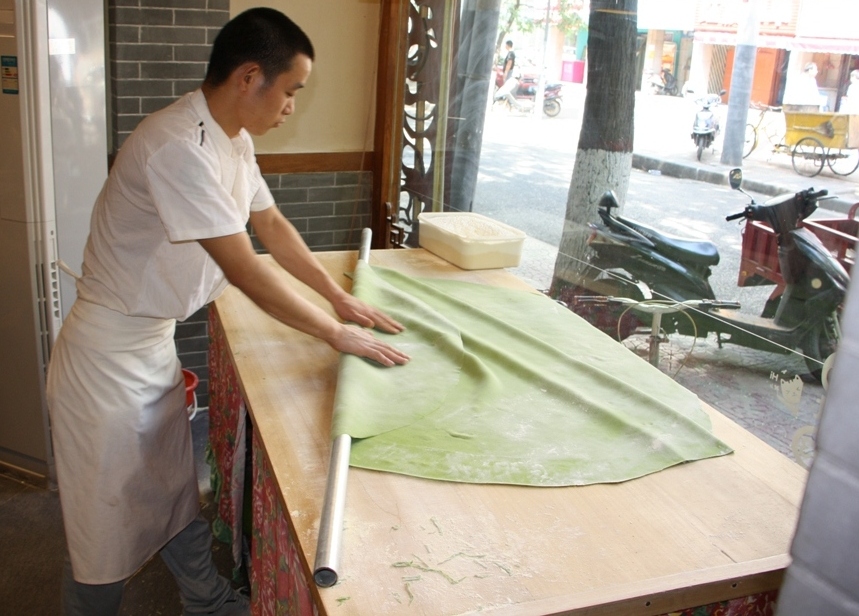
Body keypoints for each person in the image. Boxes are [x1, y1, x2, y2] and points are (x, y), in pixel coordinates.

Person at [45, 8, 409, 616]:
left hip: (150, 345)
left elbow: (271, 225)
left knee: (171, 494)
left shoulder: (232, 141)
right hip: (103, 361)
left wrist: (337, 295)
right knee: (102, 533)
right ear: (248, 77)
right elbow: (244, 267)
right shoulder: (176, 146)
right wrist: (333, 332)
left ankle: (207, 601)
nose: (292, 106)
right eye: (290, 90)